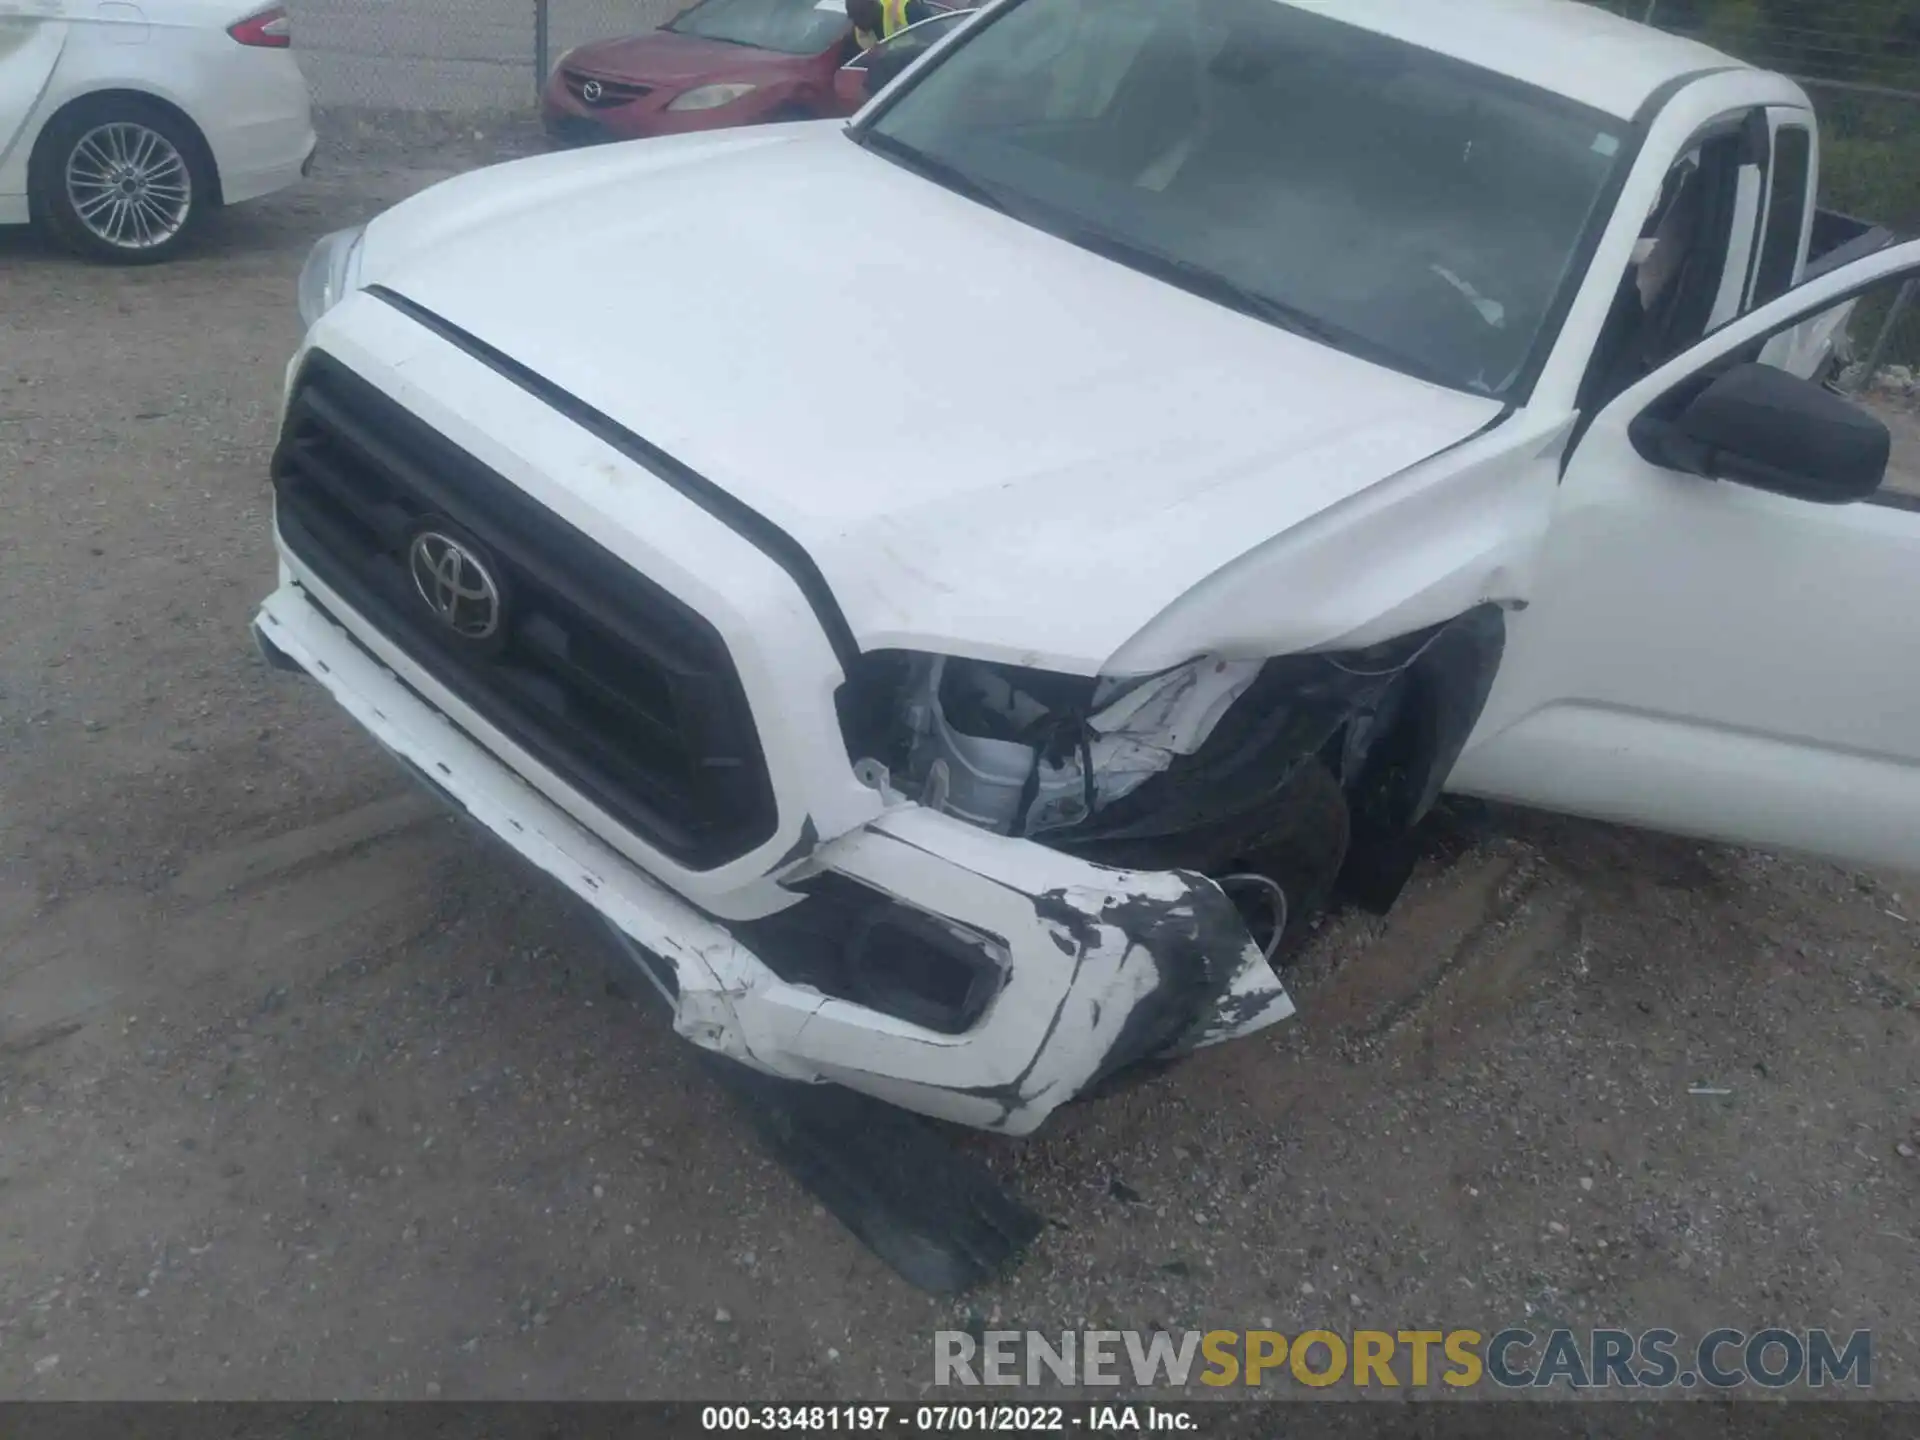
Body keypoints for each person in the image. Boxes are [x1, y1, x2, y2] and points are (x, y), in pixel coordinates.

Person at [847, 0, 934, 52]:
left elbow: (941, 37)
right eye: (852, 17)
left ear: (874, 5)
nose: (857, 22)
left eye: (861, 14)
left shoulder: (907, 10)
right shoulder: (859, 30)